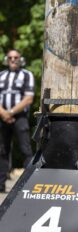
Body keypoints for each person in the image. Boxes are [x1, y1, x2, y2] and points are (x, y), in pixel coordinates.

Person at [0, 49, 35, 193]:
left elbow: (29, 98)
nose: (13, 60)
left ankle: (29, 184)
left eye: (16, 57)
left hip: (20, 117)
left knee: (25, 149)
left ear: (20, 59)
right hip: (2, 118)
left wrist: (11, 112)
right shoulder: (1, 75)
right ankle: (0, 184)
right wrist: (3, 113)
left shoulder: (27, 75)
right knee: (2, 150)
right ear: (6, 60)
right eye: (10, 57)